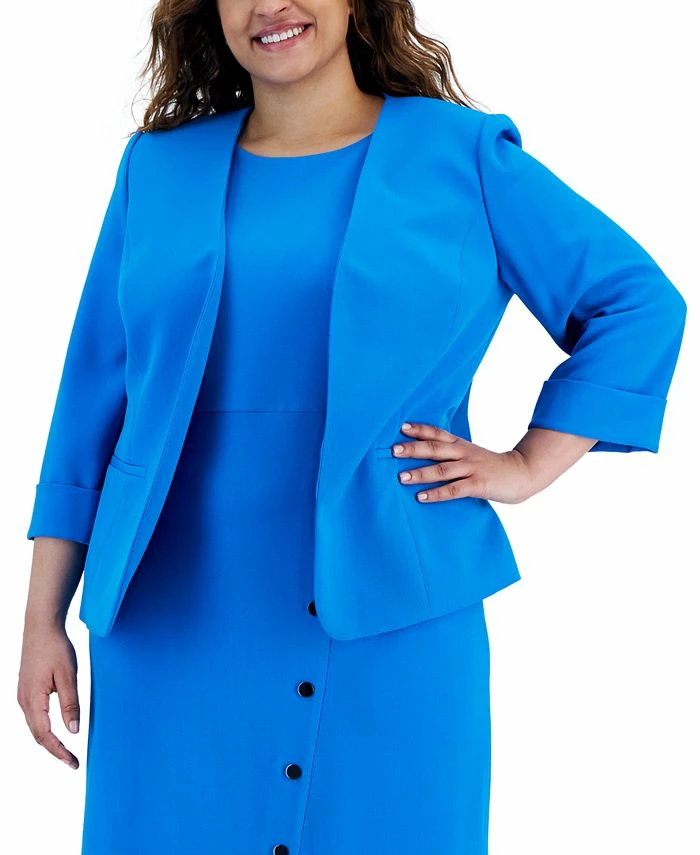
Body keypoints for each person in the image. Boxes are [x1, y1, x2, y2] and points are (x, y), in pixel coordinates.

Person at [17, 1, 687, 853]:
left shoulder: (460, 155)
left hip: (392, 614)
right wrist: (41, 618)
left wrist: (529, 462)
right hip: (170, 621)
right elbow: (89, 403)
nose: (271, 6)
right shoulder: (156, 170)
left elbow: (637, 302)